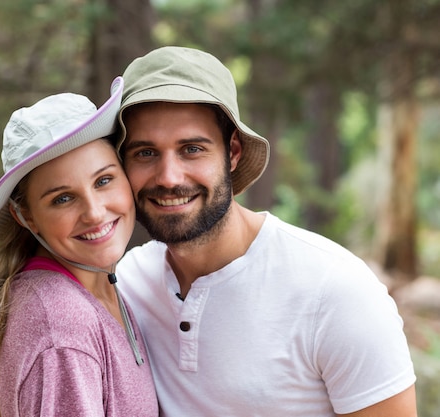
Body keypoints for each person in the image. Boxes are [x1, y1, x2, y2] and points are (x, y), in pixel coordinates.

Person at [115, 46, 417, 416]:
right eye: (145, 153)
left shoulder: (335, 290)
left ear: (233, 152)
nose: (168, 177)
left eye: (192, 149)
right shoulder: (127, 282)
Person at [0, 76, 158, 417]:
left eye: (103, 180)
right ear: (26, 217)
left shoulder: (101, 287)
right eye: (63, 198)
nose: (94, 212)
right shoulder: (61, 325)